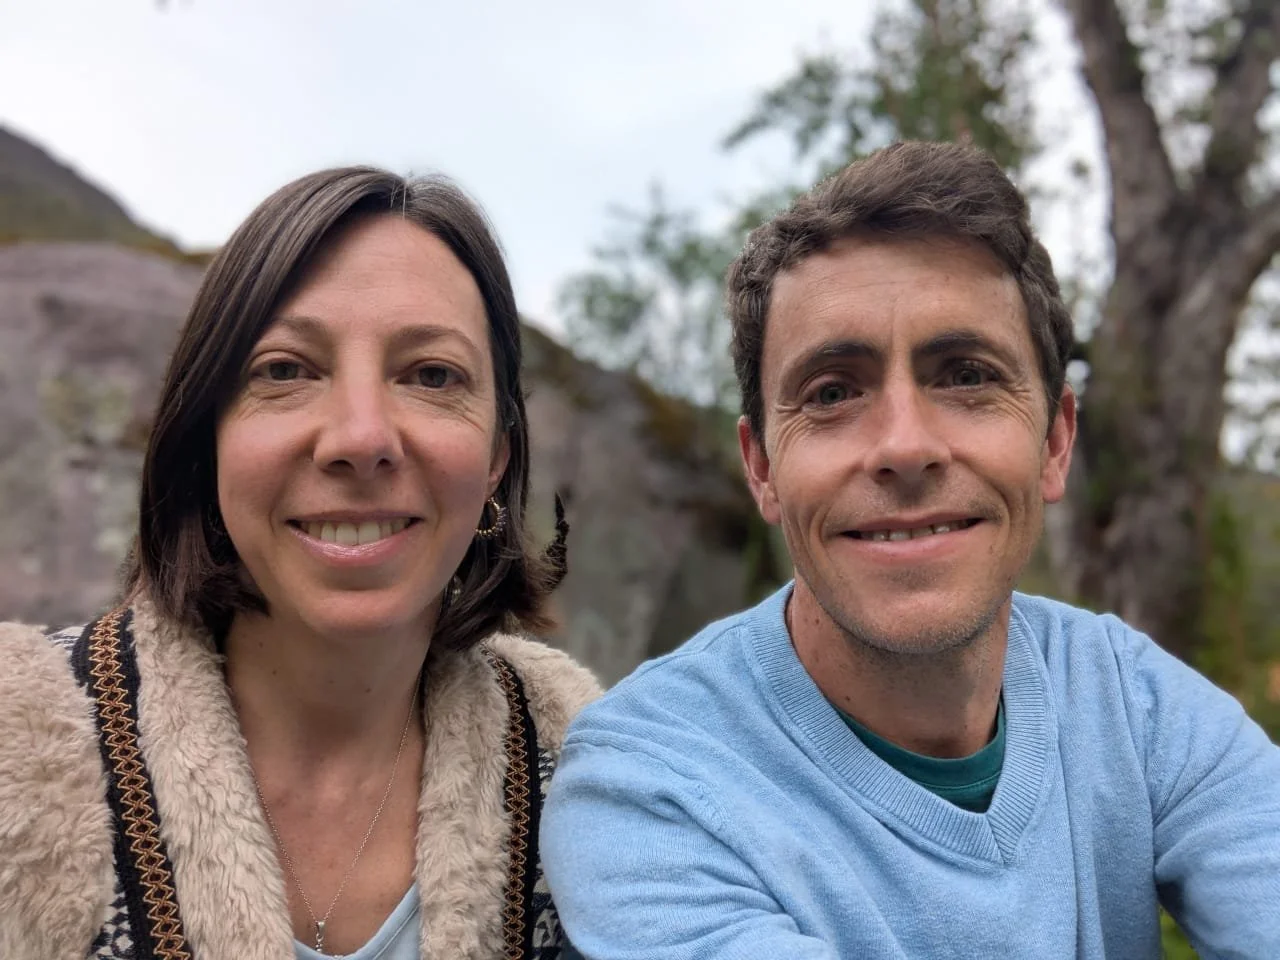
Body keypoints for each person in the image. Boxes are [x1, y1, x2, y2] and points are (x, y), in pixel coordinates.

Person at [540, 140, 1280, 958]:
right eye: (832, 392)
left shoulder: (1136, 708)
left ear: (1055, 441)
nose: (905, 444)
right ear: (762, 469)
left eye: (966, 375)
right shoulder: (651, 789)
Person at [0, 167, 600, 960]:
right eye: (285, 370)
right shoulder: (19, 749)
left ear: (496, 458)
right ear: (206, 437)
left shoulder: (590, 780)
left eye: (431, 375)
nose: (359, 438)